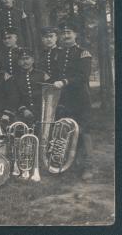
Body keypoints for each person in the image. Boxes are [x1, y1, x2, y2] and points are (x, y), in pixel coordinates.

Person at [54, 20, 94, 180]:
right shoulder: (59, 54)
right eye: (63, 33)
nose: (66, 35)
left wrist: (64, 82)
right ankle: (69, 165)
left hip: (80, 98)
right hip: (64, 99)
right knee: (66, 131)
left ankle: (88, 167)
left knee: (83, 131)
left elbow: (83, 77)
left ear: (75, 34)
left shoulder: (83, 53)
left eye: (69, 32)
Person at [12, 48, 50, 129]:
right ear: (19, 62)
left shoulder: (42, 75)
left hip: (42, 112)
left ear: (32, 60)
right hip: (24, 113)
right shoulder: (15, 78)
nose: (25, 62)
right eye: (22, 59)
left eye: (27, 58)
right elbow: (15, 97)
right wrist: (23, 109)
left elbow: (49, 94)